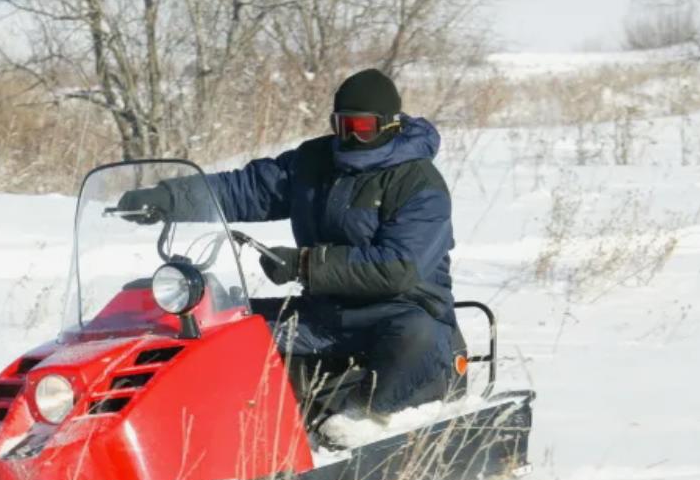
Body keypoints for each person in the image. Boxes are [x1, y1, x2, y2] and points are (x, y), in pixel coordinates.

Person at [119, 68, 461, 420]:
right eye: (343, 126)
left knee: (414, 336)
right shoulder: (315, 161)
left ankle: (365, 422)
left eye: (363, 129)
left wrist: (304, 264)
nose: (351, 139)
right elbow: (247, 189)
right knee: (221, 324)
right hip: (324, 315)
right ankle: (204, 423)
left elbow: (397, 267)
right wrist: (169, 199)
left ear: (389, 125)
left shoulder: (419, 183)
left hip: (403, 313)